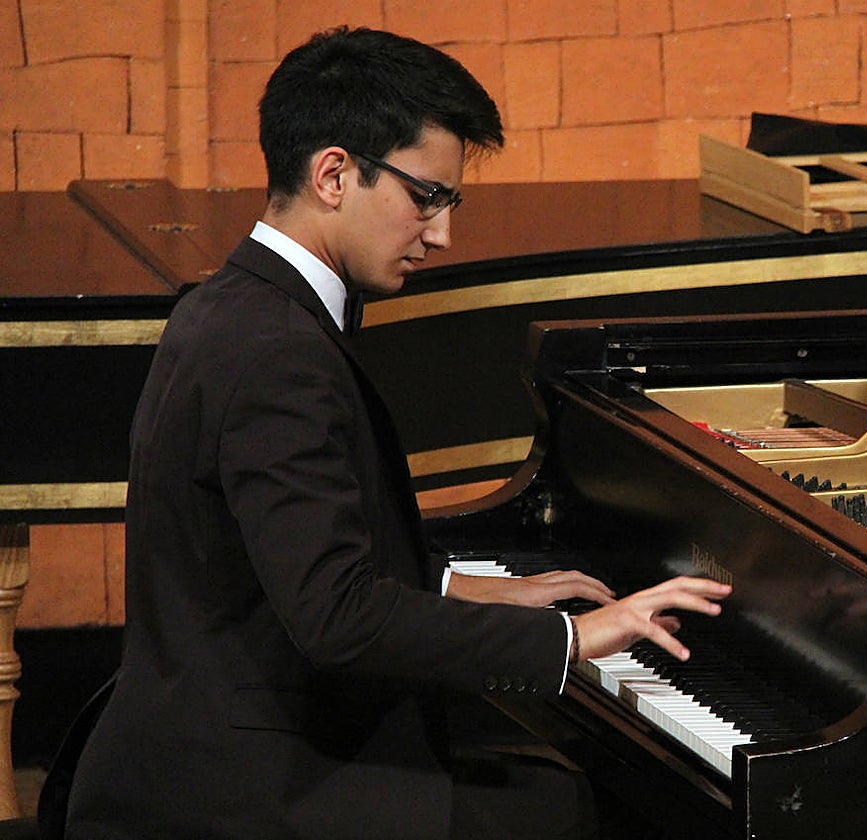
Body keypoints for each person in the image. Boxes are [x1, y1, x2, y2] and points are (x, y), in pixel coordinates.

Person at [62, 26, 730, 840]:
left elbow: (277, 560)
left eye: (450, 203)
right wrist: (574, 636)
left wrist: (469, 589)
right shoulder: (278, 352)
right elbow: (337, 617)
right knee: (592, 810)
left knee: (560, 786)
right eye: (426, 197)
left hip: (218, 739)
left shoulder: (231, 305)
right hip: (249, 790)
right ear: (334, 175)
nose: (441, 234)